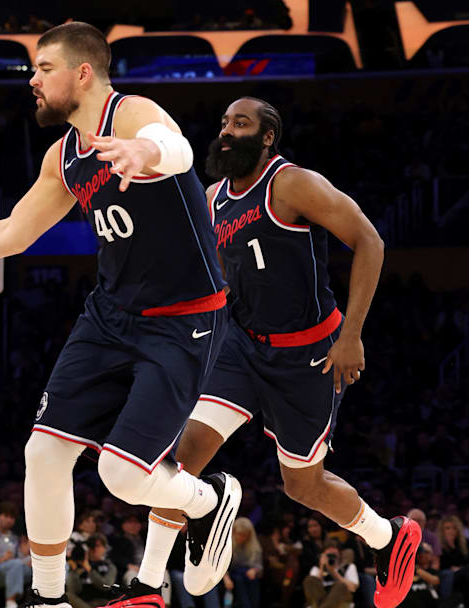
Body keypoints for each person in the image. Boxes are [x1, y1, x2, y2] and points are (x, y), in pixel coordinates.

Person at [0, 21, 240, 608]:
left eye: (43, 68)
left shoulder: (131, 114)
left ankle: (209, 500)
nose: (32, 79)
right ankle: (48, 598)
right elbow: (13, 233)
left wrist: (146, 149)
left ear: (82, 72)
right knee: (43, 453)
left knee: (121, 476)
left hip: (183, 319)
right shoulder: (64, 157)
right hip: (110, 316)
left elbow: (174, 148)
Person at [136, 96, 420, 608]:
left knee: (302, 486)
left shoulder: (291, 183)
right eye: (223, 121)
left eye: (240, 123)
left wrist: (352, 333)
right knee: (184, 452)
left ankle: (386, 536)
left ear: (267, 137)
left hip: (308, 353)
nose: (227, 131)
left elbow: (370, 241)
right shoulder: (213, 196)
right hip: (241, 346)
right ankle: (148, 585)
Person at [303, 540, 359, 608]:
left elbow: (352, 588)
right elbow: (313, 587)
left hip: (341, 598)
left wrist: (332, 571)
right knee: (310, 580)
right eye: (329, 555)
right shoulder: (316, 568)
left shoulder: (349, 567)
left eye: (333, 555)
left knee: (340, 585)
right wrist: (322, 567)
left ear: (340, 553)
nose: (331, 557)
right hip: (321, 596)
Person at [228, 518, 262, 608]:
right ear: (233, 532)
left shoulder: (254, 547)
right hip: (231, 575)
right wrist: (226, 579)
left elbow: (259, 566)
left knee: (252, 579)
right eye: (239, 534)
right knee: (239, 579)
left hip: (248, 575)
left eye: (244, 535)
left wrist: (254, 570)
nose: (240, 538)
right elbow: (221, 568)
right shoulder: (227, 546)